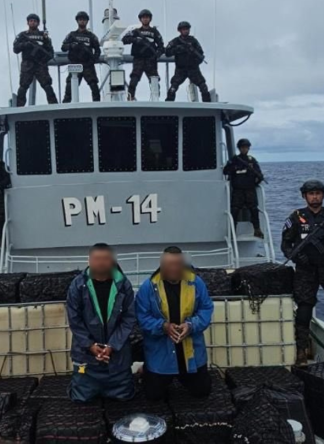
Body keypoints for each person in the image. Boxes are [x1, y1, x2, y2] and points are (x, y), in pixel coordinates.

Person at [136, 246, 213, 401]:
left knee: (202, 391)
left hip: (191, 354)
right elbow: (142, 317)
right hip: (160, 355)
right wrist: (163, 327)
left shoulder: (196, 283)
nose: (173, 268)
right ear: (161, 266)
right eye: (169, 265)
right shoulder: (147, 287)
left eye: (177, 264)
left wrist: (191, 325)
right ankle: (145, 370)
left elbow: (206, 308)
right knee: (153, 396)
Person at [67, 243, 135, 402]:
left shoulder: (124, 285)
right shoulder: (77, 286)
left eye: (105, 259)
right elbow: (74, 320)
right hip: (85, 358)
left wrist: (112, 346)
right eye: (97, 259)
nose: (101, 263)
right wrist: (90, 346)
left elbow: (129, 318)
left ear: (112, 261)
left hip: (117, 357)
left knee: (125, 398)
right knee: (80, 399)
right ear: (89, 260)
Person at [281, 180, 324, 366]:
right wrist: (298, 258)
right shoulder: (297, 217)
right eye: (311, 193)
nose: (315, 197)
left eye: (318, 193)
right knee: (304, 308)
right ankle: (301, 351)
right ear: (304, 196)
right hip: (305, 270)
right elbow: (286, 244)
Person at [13, 13, 58, 107]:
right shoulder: (22, 35)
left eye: (35, 21)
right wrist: (25, 45)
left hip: (40, 65)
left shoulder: (44, 36)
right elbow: (15, 49)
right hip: (27, 64)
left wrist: (43, 59)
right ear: (28, 23)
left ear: (38, 23)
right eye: (31, 21)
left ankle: (54, 106)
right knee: (23, 86)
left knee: (47, 86)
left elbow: (50, 53)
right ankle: (18, 108)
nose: (32, 23)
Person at [223, 138, 264, 239]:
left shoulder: (252, 160)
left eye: (246, 147)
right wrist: (233, 168)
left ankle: (257, 229)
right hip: (238, 190)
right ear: (239, 148)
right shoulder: (234, 160)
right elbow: (225, 171)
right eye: (242, 147)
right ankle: (233, 231)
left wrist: (256, 181)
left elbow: (259, 175)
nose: (244, 149)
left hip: (250, 189)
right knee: (235, 210)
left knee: (254, 209)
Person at [122, 9, 164, 100]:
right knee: (134, 80)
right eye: (143, 18)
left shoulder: (154, 32)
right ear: (140, 19)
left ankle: (156, 100)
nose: (145, 19)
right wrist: (135, 40)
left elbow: (161, 46)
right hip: (138, 59)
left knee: (154, 81)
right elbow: (124, 40)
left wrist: (157, 55)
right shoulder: (135, 31)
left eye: (147, 17)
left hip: (151, 60)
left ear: (150, 19)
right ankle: (130, 98)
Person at [165, 21, 211, 102]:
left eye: (187, 29)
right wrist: (178, 49)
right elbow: (167, 52)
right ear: (180, 30)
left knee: (203, 87)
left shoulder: (193, 41)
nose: (186, 31)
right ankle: (168, 104)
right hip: (180, 69)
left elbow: (200, 54)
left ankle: (208, 105)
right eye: (184, 29)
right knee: (173, 88)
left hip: (193, 69)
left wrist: (195, 61)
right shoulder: (176, 41)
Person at [61, 11, 101, 102]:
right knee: (69, 89)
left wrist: (93, 60)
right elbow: (63, 47)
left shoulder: (92, 36)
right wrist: (71, 45)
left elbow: (98, 50)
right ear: (77, 21)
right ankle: (64, 110)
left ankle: (97, 108)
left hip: (88, 65)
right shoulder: (71, 35)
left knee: (94, 87)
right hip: (75, 64)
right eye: (80, 20)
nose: (82, 21)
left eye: (84, 20)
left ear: (87, 21)